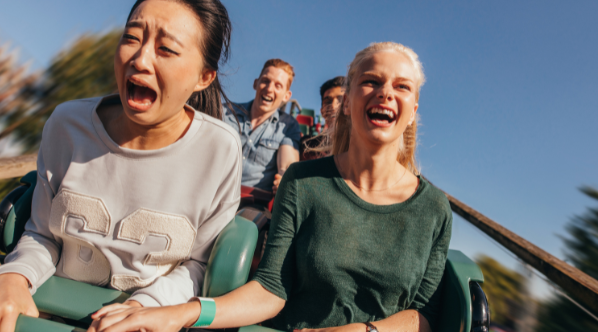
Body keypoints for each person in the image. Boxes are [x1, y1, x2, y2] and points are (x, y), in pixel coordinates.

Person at [89, 42, 453, 332]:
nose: (385, 93)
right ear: (348, 102)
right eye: (371, 81)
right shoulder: (305, 183)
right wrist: (179, 314)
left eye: (401, 87)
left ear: (413, 108)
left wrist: (364, 331)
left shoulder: (434, 208)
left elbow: (423, 315)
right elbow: (272, 288)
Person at [0, 0, 243, 332]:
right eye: (131, 38)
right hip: (48, 312)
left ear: (204, 77)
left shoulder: (220, 150)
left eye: (166, 49)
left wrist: (147, 307)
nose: (139, 59)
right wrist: (13, 278)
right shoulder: (67, 125)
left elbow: (200, 265)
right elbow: (42, 233)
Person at [223, 59, 301, 194]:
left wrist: (284, 178)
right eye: (265, 81)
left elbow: (287, 165)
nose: (269, 89)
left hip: (251, 204)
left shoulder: (288, 126)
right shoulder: (225, 112)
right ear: (255, 83)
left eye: (278, 85)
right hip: (211, 193)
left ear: (286, 96)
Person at [301, 76, 346, 160]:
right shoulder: (306, 146)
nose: (333, 106)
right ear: (322, 111)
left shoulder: (363, 147)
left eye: (340, 100)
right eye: (328, 101)